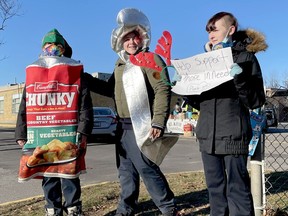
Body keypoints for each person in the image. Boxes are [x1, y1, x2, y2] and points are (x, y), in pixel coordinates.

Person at [86, 8, 179, 216]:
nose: (131, 43)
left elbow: (162, 88)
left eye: (134, 38)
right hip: (122, 126)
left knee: (146, 167)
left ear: (141, 38)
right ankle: (126, 208)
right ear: (121, 42)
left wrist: (158, 122)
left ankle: (168, 208)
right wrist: (85, 79)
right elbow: (110, 89)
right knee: (126, 171)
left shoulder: (151, 59)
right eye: (126, 39)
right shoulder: (120, 65)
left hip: (142, 124)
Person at [185, 12, 267, 216]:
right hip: (207, 137)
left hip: (232, 134)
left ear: (230, 30)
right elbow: (199, 103)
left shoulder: (246, 58)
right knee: (215, 191)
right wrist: (185, 88)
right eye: (208, 30)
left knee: (237, 190)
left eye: (215, 29)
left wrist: (239, 79)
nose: (210, 34)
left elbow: (255, 100)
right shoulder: (204, 61)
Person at [15, 28, 93, 216]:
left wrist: (83, 131)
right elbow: (25, 106)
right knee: (48, 173)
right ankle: (52, 209)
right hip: (43, 137)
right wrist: (21, 133)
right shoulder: (34, 75)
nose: (52, 49)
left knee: (69, 174)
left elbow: (85, 106)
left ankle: (74, 208)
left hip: (70, 136)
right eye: (48, 45)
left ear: (64, 49)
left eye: (57, 46)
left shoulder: (76, 74)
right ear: (42, 49)